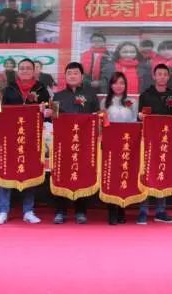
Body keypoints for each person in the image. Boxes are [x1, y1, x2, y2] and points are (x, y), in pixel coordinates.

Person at [0, 59, 50, 225]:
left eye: (28, 68)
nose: (25, 71)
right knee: (6, 170)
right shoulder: (8, 88)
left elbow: (50, 110)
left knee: (29, 170)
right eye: (22, 68)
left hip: (31, 137)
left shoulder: (41, 89)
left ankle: (28, 211)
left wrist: (46, 110)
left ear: (34, 71)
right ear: (18, 71)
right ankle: (3, 211)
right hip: (10, 136)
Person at [51, 62, 100, 224]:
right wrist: (50, 113)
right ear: (65, 76)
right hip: (63, 143)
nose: (72, 76)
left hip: (84, 144)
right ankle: (60, 211)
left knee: (82, 174)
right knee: (62, 173)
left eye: (75, 73)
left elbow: (97, 115)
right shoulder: (57, 97)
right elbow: (54, 119)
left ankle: (81, 211)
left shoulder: (91, 95)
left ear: (82, 76)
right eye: (69, 73)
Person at [137, 64, 172, 224]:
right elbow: (140, 117)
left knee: (162, 171)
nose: (162, 77)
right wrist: (140, 116)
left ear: (168, 77)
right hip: (149, 141)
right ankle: (143, 211)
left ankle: (160, 211)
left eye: (165, 74)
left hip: (166, 141)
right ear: (154, 76)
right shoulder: (146, 95)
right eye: (159, 74)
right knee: (147, 173)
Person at [101, 72, 138, 225]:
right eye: (115, 83)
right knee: (111, 176)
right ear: (111, 85)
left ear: (125, 85)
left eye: (122, 83)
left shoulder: (132, 102)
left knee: (124, 175)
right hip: (110, 143)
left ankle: (122, 209)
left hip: (127, 144)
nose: (118, 86)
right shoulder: (105, 102)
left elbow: (135, 122)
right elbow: (101, 123)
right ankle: (112, 211)